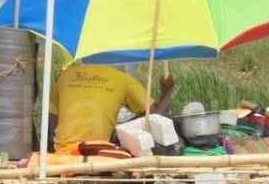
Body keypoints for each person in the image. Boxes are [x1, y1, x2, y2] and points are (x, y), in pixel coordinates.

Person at [47, 63, 176, 153]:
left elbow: (51, 126)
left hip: (62, 153)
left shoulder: (65, 75)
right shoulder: (123, 79)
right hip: (98, 154)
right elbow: (156, 116)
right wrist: (167, 91)